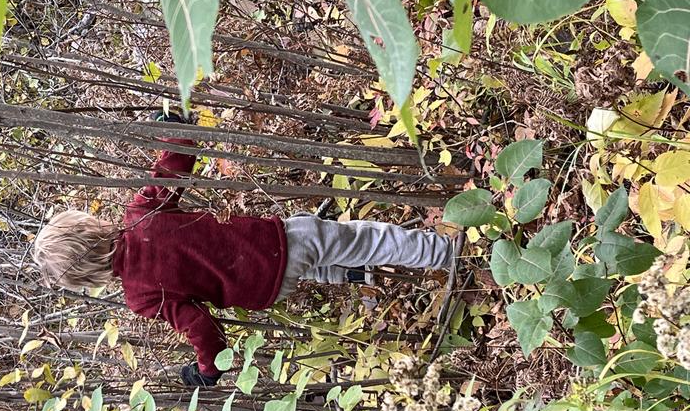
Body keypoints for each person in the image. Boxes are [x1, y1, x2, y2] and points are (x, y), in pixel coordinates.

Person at [33, 110, 453, 387]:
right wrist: (175, 129)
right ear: (87, 227)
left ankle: (358, 274)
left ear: (85, 277)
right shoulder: (140, 214)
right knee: (361, 239)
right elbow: (173, 168)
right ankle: (444, 253)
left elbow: (199, 326)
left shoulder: (138, 297)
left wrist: (207, 369)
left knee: (314, 264)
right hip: (277, 243)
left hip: (266, 290)